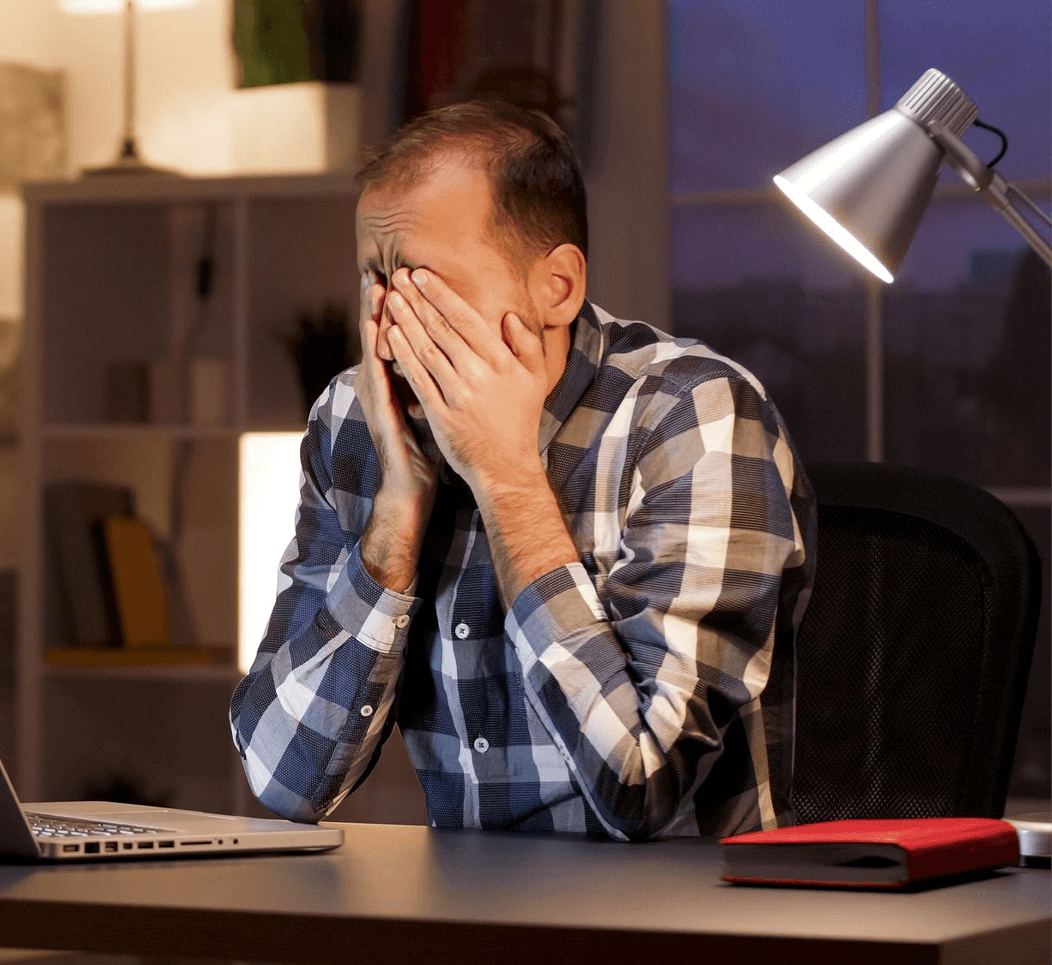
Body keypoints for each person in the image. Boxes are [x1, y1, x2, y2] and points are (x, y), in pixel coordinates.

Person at [229, 101, 816, 841]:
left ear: (557, 289)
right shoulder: (355, 421)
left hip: (685, 924)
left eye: (423, 288)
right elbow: (283, 781)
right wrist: (395, 513)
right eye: (374, 284)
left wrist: (505, 477)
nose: (390, 330)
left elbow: (643, 784)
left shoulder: (691, 416)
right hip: (470, 925)